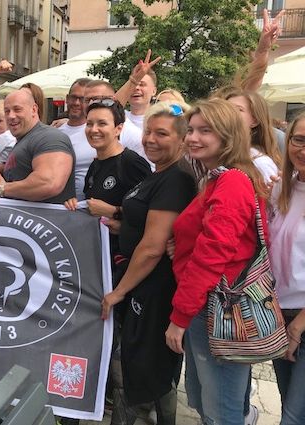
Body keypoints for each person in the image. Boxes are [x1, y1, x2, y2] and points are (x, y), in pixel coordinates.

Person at [166, 98, 268, 425]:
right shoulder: (218, 177)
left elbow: (212, 254)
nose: (193, 137)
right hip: (210, 304)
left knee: (221, 412)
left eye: (205, 131)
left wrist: (180, 317)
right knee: (208, 402)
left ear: (228, 135)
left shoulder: (232, 181)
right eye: (191, 130)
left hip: (218, 308)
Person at [99, 102, 196, 425]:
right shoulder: (159, 173)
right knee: (141, 363)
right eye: (148, 132)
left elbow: (153, 247)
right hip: (142, 283)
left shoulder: (176, 178)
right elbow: (143, 223)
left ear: (182, 140)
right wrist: (121, 224)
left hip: (153, 287)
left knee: (144, 365)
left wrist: (119, 292)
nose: (151, 139)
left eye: (162, 134)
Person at [64, 98, 151, 271]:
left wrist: (115, 213)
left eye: (102, 123)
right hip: (99, 257)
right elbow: (93, 207)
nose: (93, 129)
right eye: (89, 124)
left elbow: (151, 215)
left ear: (118, 128)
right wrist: (76, 207)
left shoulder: (131, 163)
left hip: (125, 263)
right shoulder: (95, 164)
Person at [268, 112, 305, 425]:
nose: (303, 150)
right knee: (288, 406)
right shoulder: (282, 188)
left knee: (293, 417)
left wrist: (298, 326)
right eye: (299, 140)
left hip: (301, 319)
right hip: (280, 313)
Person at [0, 89, 75, 203]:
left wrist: (2, 189)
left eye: (17, 109)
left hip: (46, 215)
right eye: (7, 111)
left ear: (34, 109)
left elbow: (48, 183)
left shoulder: (49, 137)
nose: (11, 116)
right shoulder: (24, 139)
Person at [225, 89, 281, 182]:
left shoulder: (260, 163)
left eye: (238, 109)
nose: (227, 113)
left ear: (255, 121)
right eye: (225, 109)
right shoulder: (214, 153)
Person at [57, 78, 98, 200]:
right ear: (67, 98)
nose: (76, 103)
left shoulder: (96, 132)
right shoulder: (55, 132)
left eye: (82, 99)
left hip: (88, 206)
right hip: (58, 205)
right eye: (73, 97)